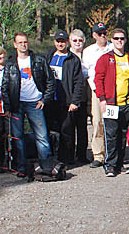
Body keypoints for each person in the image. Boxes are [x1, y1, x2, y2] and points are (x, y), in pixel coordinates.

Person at [1, 33, 56, 176]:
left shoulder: (39, 60)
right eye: (20, 42)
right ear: (15, 45)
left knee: (42, 136)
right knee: (17, 137)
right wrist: (7, 107)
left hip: (35, 103)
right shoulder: (11, 63)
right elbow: (5, 86)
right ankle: (21, 168)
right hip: (17, 105)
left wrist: (44, 100)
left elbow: (50, 81)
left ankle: (46, 166)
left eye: (25, 42)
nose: (23, 45)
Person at [94, 28, 129, 177]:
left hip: (126, 104)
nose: (119, 41)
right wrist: (102, 99)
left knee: (123, 135)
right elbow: (98, 79)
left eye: (122, 38)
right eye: (117, 38)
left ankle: (120, 163)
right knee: (111, 134)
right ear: (112, 40)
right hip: (111, 103)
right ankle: (110, 164)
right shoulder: (105, 59)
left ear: (125, 40)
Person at [45, 31, 85, 166]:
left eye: (63, 41)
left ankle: (67, 159)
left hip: (66, 100)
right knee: (49, 129)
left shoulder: (73, 59)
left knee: (66, 130)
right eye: (58, 41)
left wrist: (75, 101)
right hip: (51, 99)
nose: (60, 44)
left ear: (67, 42)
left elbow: (79, 82)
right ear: (54, 42)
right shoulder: (48, 56)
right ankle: (49, 157)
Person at [82, 22, 112, 168]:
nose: (103, 36)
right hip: (97, 92)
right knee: (97, 123)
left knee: (113, 123)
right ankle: (98, 155)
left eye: (105, 33)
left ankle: (112, 153)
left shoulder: (113, 47)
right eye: (99, 33)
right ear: (94, 35)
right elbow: (85, 72)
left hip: (114, 92)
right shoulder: (88, 52)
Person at [68, 29, 89, 164]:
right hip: (70, 95)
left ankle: (82, 154)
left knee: (82, 127)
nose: (77, 43)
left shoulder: (87, 55)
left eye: (80, 40)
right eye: (74, 40)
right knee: (69, 127)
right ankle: (69, 155)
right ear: (70, 41)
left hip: (84, 94)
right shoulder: (66, 55)